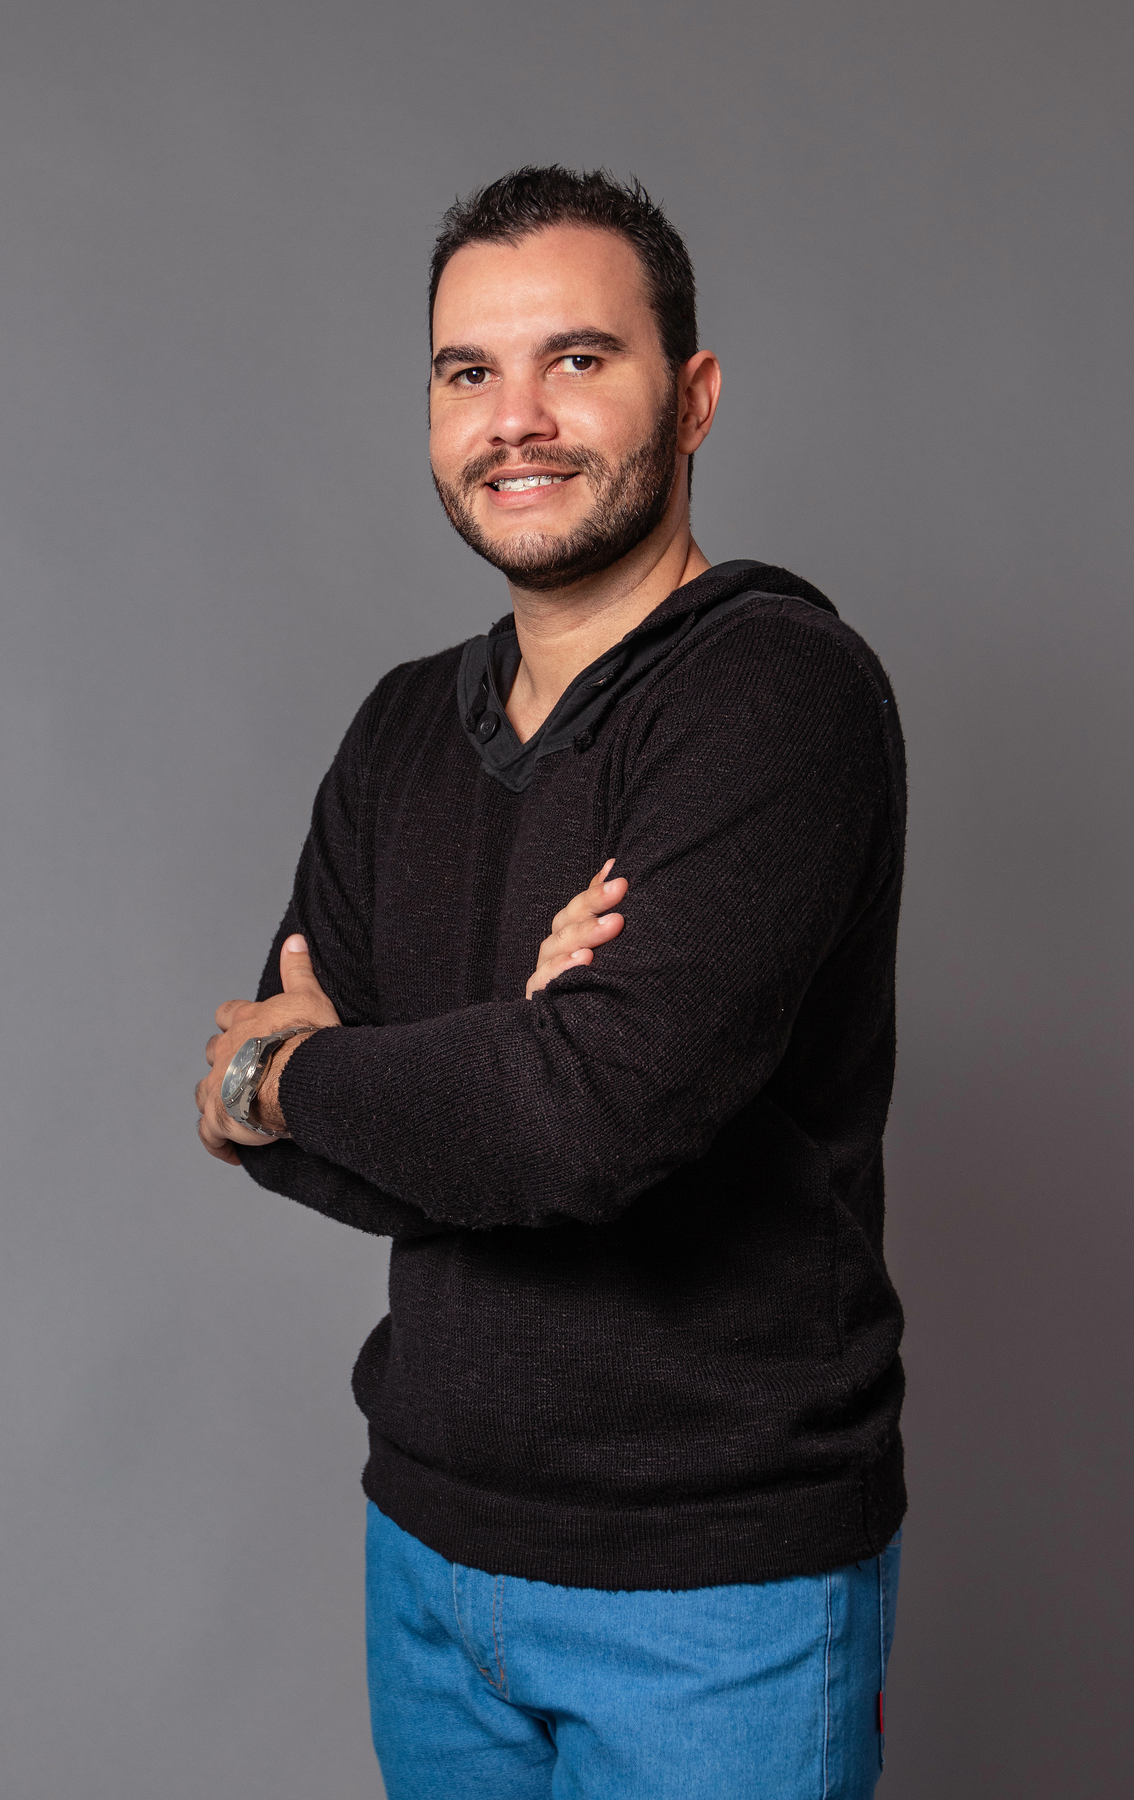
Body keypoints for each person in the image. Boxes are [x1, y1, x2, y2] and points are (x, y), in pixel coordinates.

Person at [194, 166, 907, 1800]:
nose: (516, 418)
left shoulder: (773, 694)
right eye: (469, 374)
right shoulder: (399, 726)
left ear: (696, 396)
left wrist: (304, 1073)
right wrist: (493, 1059)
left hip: (713, 1599)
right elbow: (300, 1121)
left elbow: (576, 1129)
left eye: (578, 360)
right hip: (429, 1557)